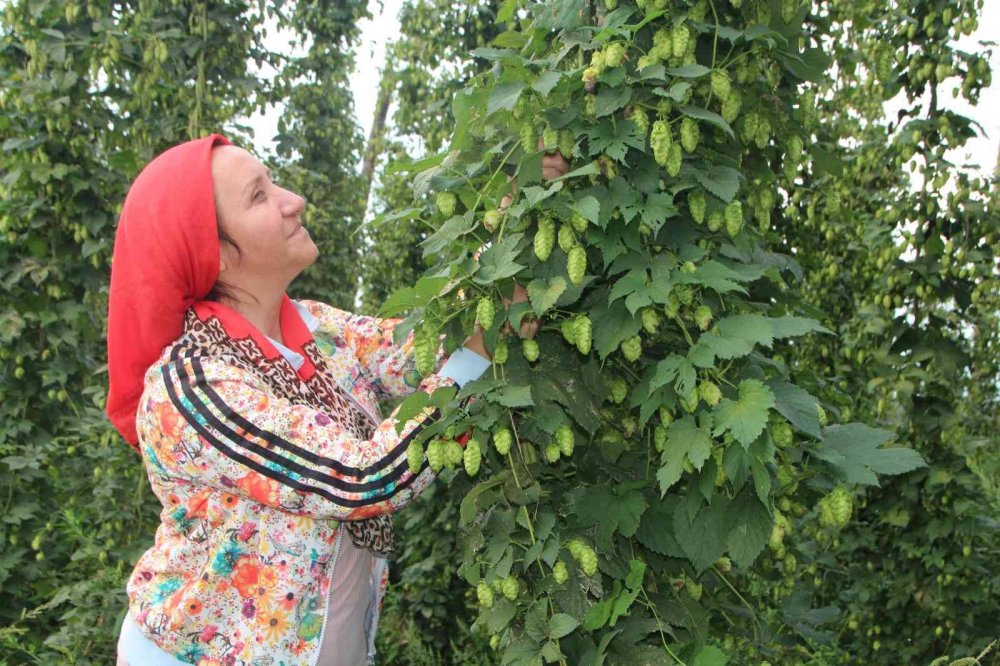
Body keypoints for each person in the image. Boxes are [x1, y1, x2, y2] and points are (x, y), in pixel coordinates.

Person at [106, 133, 569, 665]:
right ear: (212, 253)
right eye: (258, 196)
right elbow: (363, 479)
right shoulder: (192, 390)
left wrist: (514, 221)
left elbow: (424, 343)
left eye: (272, 181)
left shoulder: (313, 327)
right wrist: (478, 351)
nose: (292, 200)